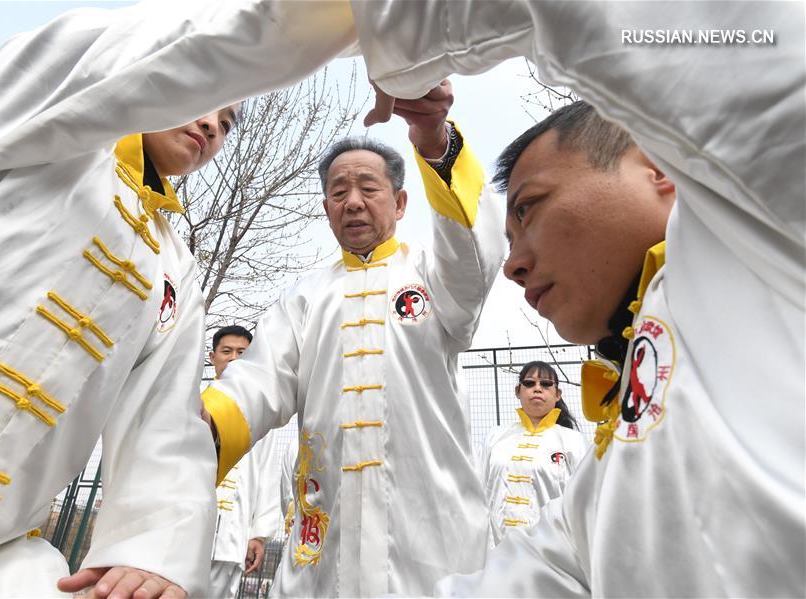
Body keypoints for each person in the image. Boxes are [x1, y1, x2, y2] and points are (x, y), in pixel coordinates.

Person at [342, 3, 804, 595]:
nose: (511, 264)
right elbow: (548, 569)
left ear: (660, 161)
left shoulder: (762, 241)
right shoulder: (602, 480)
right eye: (507, 240)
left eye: (530, 207)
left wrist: (402, 34)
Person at [0, 0, 367, 594]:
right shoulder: (38, 137)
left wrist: (153, 548)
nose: (211, 126)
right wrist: (363, 22)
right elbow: (138, 54)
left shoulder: (174, 271)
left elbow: (164, 417)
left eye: (227, 124)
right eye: (207, 100)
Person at [201, 81, 506, 596]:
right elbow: (256, 383)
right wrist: (204, 426)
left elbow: (477, 257)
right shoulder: (303, 299)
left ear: (402, 201)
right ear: (326, 210)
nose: (354, 202)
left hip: (432, 540)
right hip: (325, 543)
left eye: (369, 188)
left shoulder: (436, 281)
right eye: (339, 192)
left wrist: (434, 140)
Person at [206, 326, 280, 599]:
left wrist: (259, 535)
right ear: (213, 357)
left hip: (231, 540)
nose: (234, 358)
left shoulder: (262, 417)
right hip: (183, 533)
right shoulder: (193, 403)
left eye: (242, 353)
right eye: (227, 351)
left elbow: (268, 478)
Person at [478, 361, 587, 546]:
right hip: (497, 554)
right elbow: (477, 493)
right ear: (518, 391)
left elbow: (586, 502)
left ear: (557, 394)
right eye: (529, 383)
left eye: (545, 384)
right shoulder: (495, 438)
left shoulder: (574, 441)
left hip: (553, 555)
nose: (537, 389)